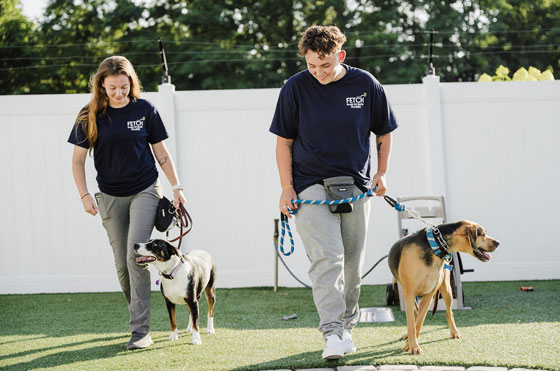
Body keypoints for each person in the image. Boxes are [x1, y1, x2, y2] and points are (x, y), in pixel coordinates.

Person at [269, 25, 398, 360]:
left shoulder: (366, 84)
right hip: (310, 184)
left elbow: (383, 133)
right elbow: (283, 143)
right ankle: (332, 333)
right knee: (328, 259)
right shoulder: (295, 88)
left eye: (325, 65)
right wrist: (286, 187)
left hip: (356, 185)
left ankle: (347, 328)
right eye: (312, 65)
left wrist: (382, 173)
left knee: (352, 265)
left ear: (340, 56)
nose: (318, 73)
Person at [68, 56, 186, 350]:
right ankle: (138, 313)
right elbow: (78, 161)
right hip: (109, 196)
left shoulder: (144, 109)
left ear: (131, 83)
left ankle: (140, 332)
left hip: (145, 189)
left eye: (124, 86)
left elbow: (161, 153)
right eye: (113, 88)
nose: (119, 93)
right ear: (102, 86)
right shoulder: (89, 115)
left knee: (137, 256)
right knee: (122, 264)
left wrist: (177, 187)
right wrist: (84, 195)